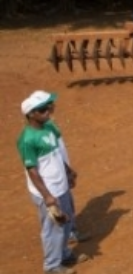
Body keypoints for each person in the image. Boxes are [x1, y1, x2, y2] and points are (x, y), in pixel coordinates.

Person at [18, 91, 88, 274]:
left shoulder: (47, 128)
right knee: (52, 229)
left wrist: (68, 170)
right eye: (42, 109)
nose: (47, 111)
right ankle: (51, 266)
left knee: (66, 222)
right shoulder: (27, 139)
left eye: (48, 107)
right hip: (48, 191)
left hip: (61, 185)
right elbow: (32, 171)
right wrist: (47, 196)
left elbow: (56, 154)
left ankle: (64, 254)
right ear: (31, 114)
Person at [30, 90, 89, 246]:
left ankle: (72, 231)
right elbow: (36, 165)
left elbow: (57, 153)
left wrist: (67, 170)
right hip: (51, 182)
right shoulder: (41, 130)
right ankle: (65, 242)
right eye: (47, 106)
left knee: (68, 204)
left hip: (60, 174)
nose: (52, 107)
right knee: (59, 212)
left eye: (51, 104)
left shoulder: (49, 125)